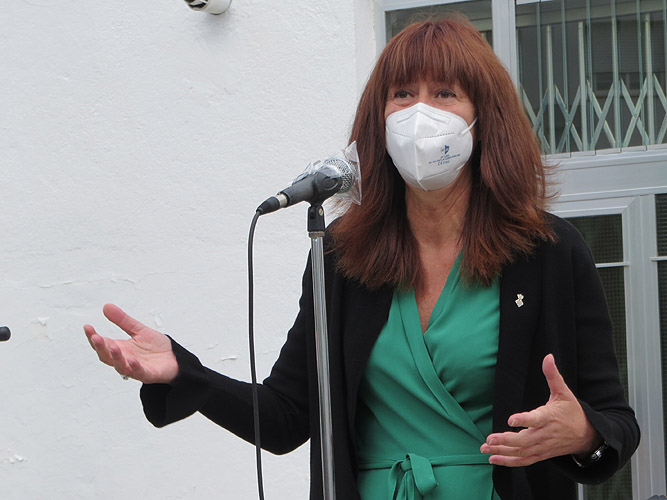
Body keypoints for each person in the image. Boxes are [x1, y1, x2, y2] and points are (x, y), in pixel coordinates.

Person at [84, 17, 640, 500]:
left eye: (445, 93)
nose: (420, 113)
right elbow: (285, 416)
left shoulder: (549, 251)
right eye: (402, 94)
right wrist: (185, 372)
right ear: (379, 119)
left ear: (484, 118)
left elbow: (616, 423)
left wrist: (584, 433)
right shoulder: (341, 257)